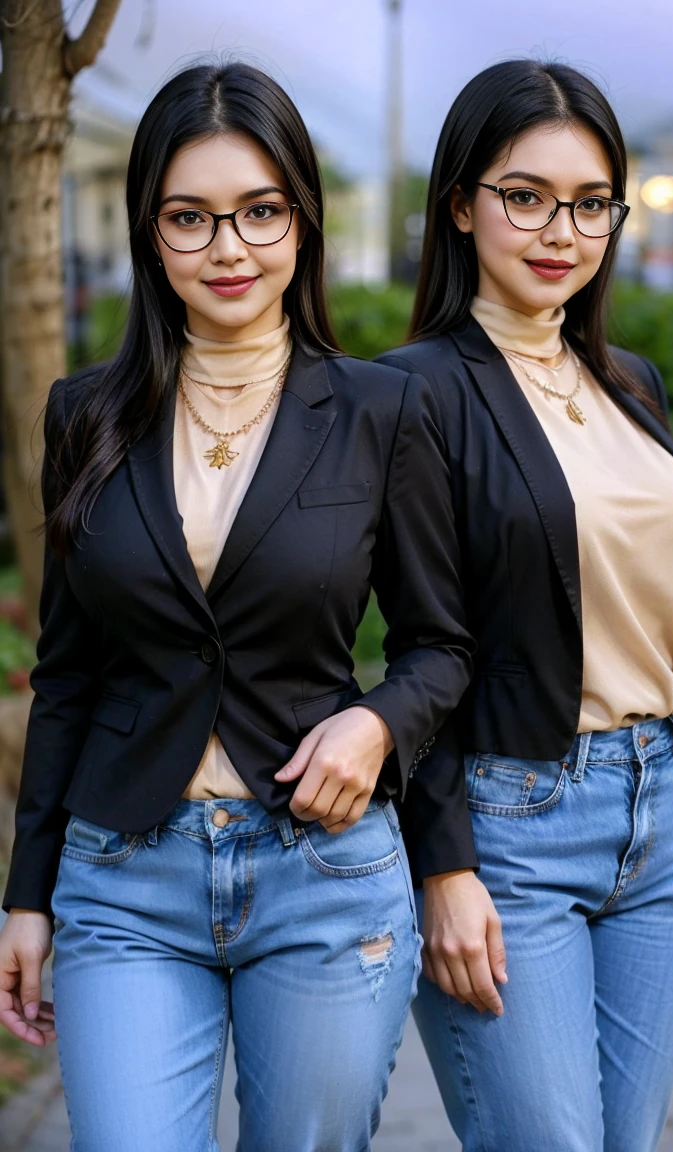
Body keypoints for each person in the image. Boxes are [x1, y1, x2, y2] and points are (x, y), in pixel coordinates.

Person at [0, 62, 473, 1152]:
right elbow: (66, 672)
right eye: (191, 217)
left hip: (321, 877)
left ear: (301, 223)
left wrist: (377, 722)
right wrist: (27, 897)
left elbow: (443, 643)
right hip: (125, 880)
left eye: (260, 211)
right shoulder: (85, 414)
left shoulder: (381, 410)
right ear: (148, 234)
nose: (229, 248)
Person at [378, 60, 673, 1152]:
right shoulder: (409, 394)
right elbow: (420, 646)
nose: (562, 230)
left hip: (670, 813)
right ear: (460, 205)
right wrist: (443, 863)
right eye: (526, 195)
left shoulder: (630, 383)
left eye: (592, 202)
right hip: (510, 829)